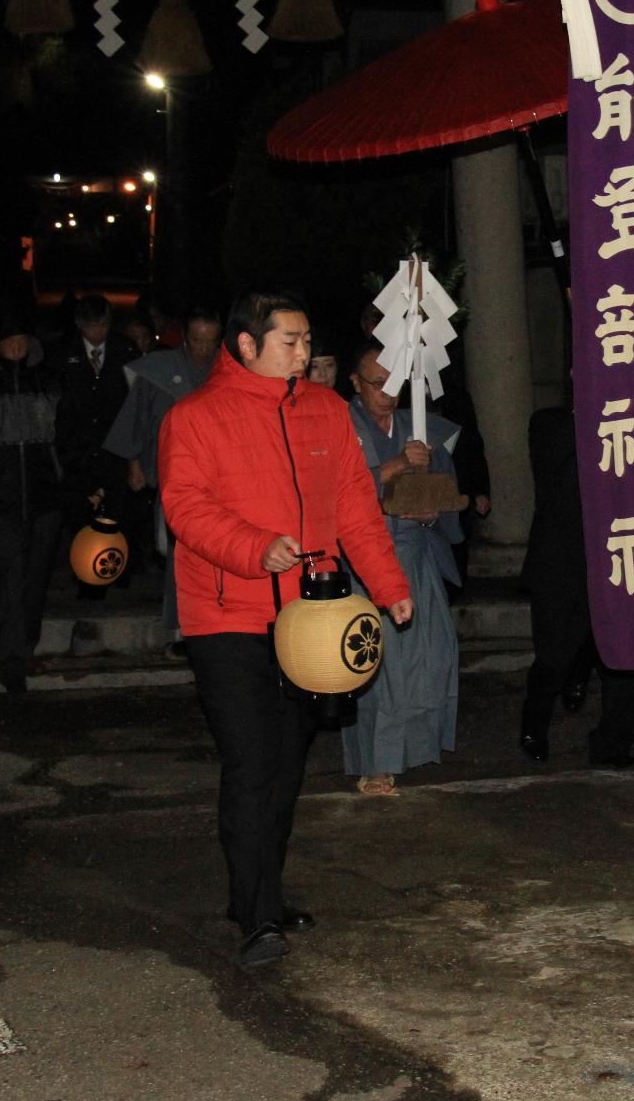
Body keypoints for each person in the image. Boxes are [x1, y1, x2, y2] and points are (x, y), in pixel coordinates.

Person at [159, 290, 412, 970]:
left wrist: (389, 588)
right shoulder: (197, 417)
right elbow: (185, 506)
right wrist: (252, 547)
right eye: (290, 341)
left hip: (312, 617)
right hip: (227, 613)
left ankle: (259, 891)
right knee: (252, 760)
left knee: (290, 762)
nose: (305, 352)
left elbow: (356, 508)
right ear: (247, 345)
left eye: (307, 340)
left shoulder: (326, 412)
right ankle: (258, 913)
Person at [341, 342, 465, 796]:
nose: (387, 393)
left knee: (432, 656)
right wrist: (393, 467)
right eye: (376, 383)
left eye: (394, 383)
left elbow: (447, 494)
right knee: (380, 665)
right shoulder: (339, 428)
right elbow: (333, 496)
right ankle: (375, 764)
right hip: (365, 562)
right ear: (355, 383)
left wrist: (429, 514)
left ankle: (414, 750)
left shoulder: (420, 427)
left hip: (417, 555)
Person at [518, 401, 634, 770]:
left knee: (626, 659)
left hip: (621, 554)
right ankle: (534, 726)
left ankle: (614, 744)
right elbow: (555, 468)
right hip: (562, 562)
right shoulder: (550, 421)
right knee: (554, 656)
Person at [103, 306, 222, 638]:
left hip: (219, 480)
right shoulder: (158, 370)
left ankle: (206, 625)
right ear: (185, 337)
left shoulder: (226, 371)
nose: (203, 348)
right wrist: (134, 464)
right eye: (197, 340)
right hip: (174, 478)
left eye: (210, 341)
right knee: (172, 549)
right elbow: (136, 419)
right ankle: (181, 628)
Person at [0, 302, 71, 696]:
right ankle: (10, 660)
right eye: (8, 340)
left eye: (21, 340)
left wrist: (65, 480)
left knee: (35, 579)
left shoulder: (49, 379)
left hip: (46, 498)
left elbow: (67, 432)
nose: (15, 347)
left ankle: (25, 646)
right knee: (10, 578)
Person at [57, 294, 140, 593]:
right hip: (78, 450)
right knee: (82, 517)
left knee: (119, 512)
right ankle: (86, 578)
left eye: (103, 325)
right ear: (80, 325)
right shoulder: (65, 352)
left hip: (116, 449)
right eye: (91, 326)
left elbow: (136, 403)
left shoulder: (125, 350)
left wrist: (134, 456)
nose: (98, 333)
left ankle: (121, 575)